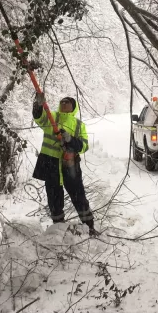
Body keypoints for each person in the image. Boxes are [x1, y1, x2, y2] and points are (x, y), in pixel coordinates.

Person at [32, 93, 96, 235]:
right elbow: (38, 117)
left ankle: (89, 227)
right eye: (62, 102)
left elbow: (84, 146)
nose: (64, 103)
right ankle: (59, 229)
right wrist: (38, 104)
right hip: (51, 164)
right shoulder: (52, 117)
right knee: (54, 197)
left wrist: (70, 139)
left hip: (70, 166)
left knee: (78, 196)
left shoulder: (79, 125)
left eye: (67, 102)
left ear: (73, 107)